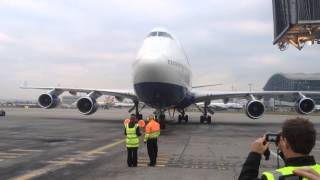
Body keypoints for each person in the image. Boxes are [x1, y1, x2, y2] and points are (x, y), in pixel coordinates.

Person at [238, 117, 319, 180]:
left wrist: (255, 154)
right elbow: (295, 162)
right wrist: (284, 147)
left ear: (286, 142)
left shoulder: (273, 177)